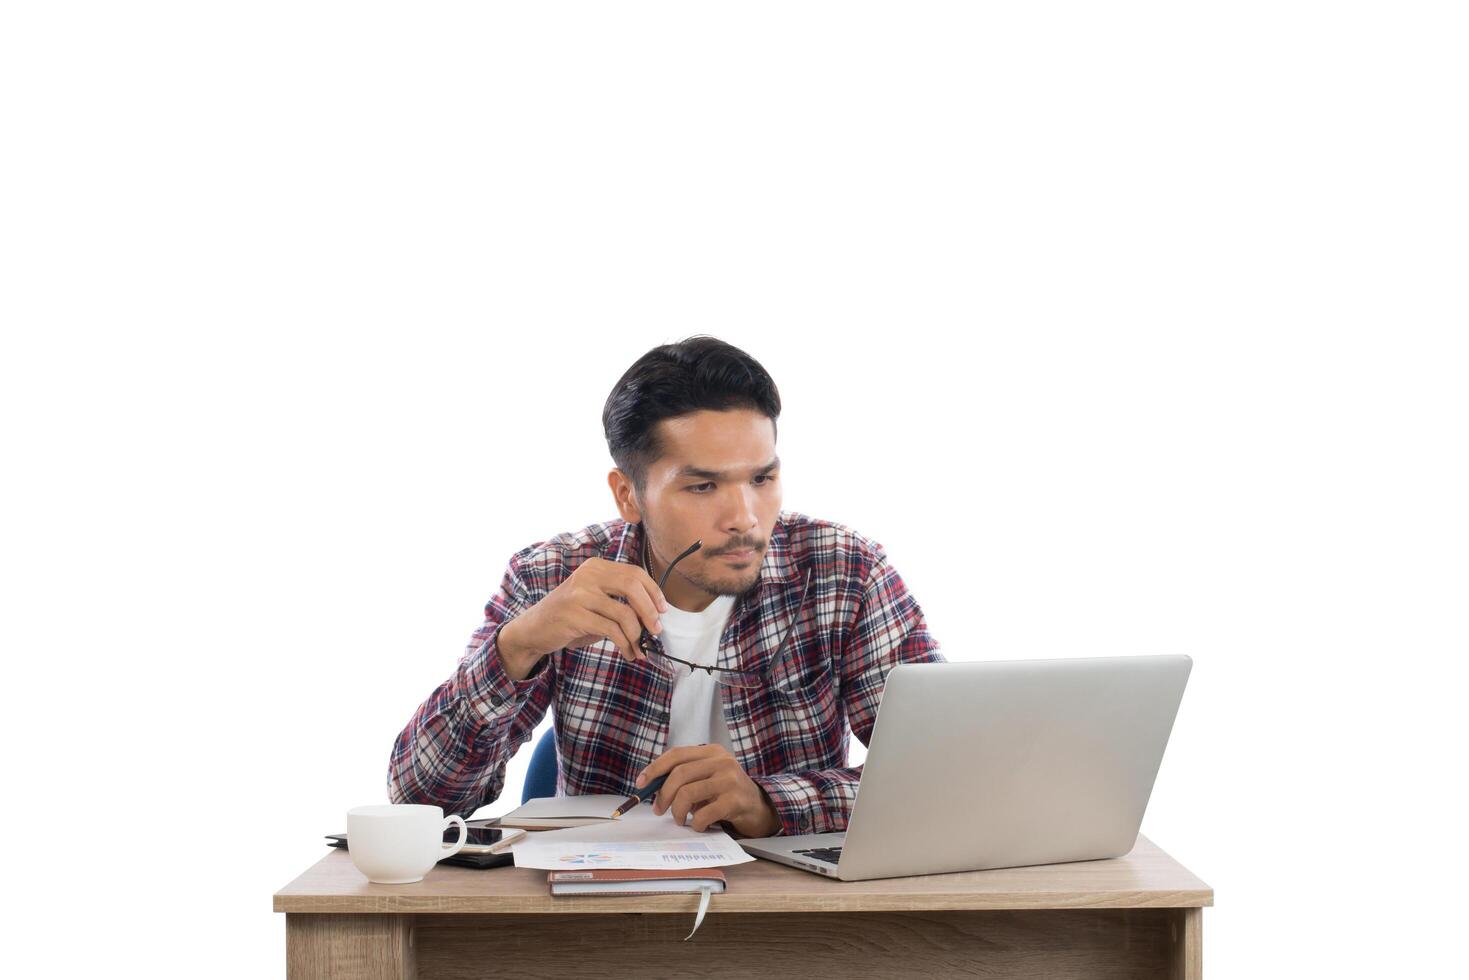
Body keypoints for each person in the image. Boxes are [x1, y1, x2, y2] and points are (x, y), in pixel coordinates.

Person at [387, 336, 944, 837]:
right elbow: (421, 800)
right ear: (628, 496)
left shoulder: (842, 571)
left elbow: (943, 773)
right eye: (703, 486)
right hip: (604, 913)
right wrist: (517, 646)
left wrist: (771, 803)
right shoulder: (552, 575)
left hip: (797, 915)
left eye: (762, 479)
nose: (745, 517)